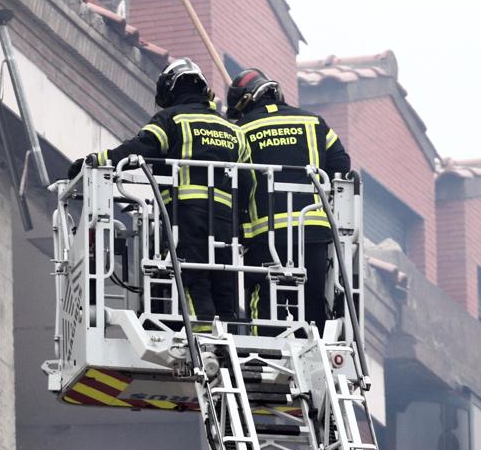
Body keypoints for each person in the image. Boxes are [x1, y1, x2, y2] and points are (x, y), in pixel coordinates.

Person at [68, 58, 249, 326]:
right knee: (223, 279)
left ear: (170, 91)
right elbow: (247, 181)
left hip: (185, 216)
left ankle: (200, 338)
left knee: (190, 277)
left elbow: (138, 149)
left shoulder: (170, 119)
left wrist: (94, 161)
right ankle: (230, 333)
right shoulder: (234, 130)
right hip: (225, 221)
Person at [225, 68, 351, 327]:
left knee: (265, 303)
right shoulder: (313, 122)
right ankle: (314, 352)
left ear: (245, 103)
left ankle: (265, 357)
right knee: (312, 301)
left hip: (268, 234)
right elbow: (341, 164)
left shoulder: (240, 130)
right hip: (313, 231)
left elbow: (232, 180)